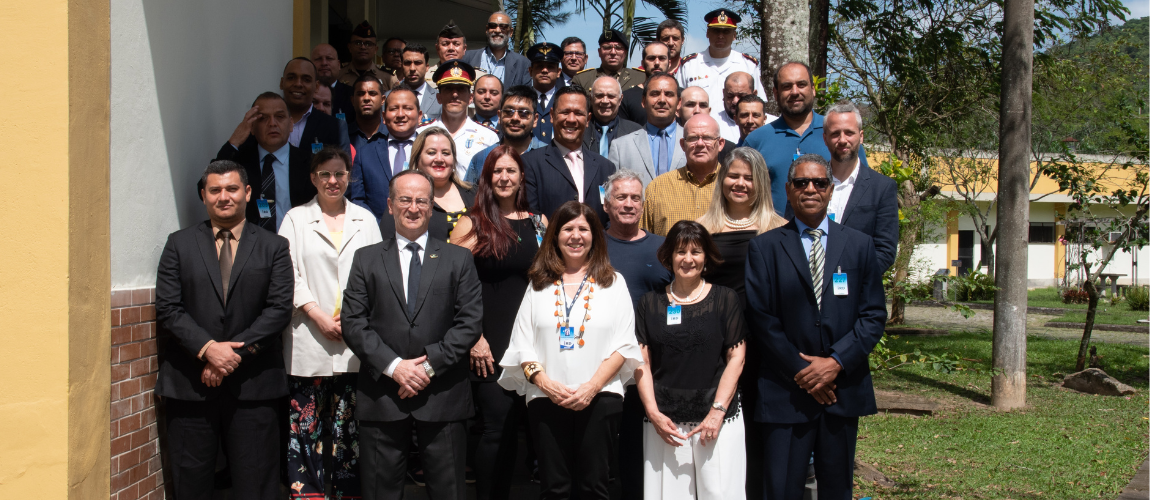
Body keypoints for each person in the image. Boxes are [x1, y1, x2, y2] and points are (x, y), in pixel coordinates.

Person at [744, 154, 887, 500]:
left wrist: (835, 363)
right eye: (801, 183)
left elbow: (873, 315)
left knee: (837, 489)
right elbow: (761, 318)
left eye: (819, 183)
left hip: (842, 390)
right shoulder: (764, 248)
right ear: (789, 191)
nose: (811, 189)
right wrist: (804, 371)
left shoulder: (859, 245)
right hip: (785, 391)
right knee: (781, 490)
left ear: (831, 189)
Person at [342, 168, 484, 500]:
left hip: (443, 393)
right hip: (383, 394)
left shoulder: (458, 259)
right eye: (405, 199)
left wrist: (427, 366)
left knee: (449, 491)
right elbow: (353, 321)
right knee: (380, 491)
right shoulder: (366, 259)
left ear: (432, 206)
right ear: (390, 205)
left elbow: (469, 323)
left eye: (422, 200)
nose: (413, 207)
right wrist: (395, 367)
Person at [155, 160, 293, 500]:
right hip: (191, 384)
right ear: (204, 196)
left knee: (257, 482)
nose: (224, 197)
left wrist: (231, 355)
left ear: (247, 192)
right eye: (215, 190)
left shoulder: (274, 246)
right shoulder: (179, 244)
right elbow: (169, 309)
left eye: (232, 189)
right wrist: (207, 349)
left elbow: (277, 311)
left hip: (254, 385)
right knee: (191, 483)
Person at [497, 201, 643, 500]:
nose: (575, 236)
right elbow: (522, 346)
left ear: (594, 237)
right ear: (555, 235)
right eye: (567, 229)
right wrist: (545, 384)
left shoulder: (613, 283)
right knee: (554, 488)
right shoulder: (538, 284)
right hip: (547, 399)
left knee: (594, 487)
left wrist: (591, 388)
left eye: (583, 229)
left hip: (600, 398)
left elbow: (624, 344)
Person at [278, 147, 383, 500]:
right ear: (313, 178)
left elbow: (377, 275)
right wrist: (317, 314)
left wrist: (353, 317)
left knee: (347, 428)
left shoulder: (365, 219)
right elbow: (287, 273)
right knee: (304, 425)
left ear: (349, 176)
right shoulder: (295, 218)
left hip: (354, 341)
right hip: (309, 334)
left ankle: (347, 493)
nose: (333, 181)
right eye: (325, 174)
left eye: (339, 173)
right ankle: (306, 493)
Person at [449, 146, 547, 500]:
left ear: (521, 176)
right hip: (489, 344)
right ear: (487, 179)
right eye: (497, 172)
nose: (504, 178)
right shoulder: (473, 223)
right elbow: (452, 285)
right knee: (496, 430)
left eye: (511, 171)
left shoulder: (539, 222)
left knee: (529, 430)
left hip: (532, 344)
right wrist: (474, 336)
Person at [694, 147, 786, 499]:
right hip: (718, 346)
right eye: (733, 175)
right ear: (722, 180)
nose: (740, 183)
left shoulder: (779, 229)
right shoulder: (703, 229)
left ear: (761, 183)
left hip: (766, 346)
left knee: (761, 431)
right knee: (722, 428)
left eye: (749, 177)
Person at [635, 220, 747, 500]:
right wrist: (653, 413)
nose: (688, 259)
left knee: (721, 493)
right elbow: (642, 362)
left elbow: (737, 357)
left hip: (718, 419)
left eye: (696, 252)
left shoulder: (725, 299)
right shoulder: (649, 303)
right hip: (665, 422)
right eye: (680, 252)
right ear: (668, 256)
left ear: (706, 257)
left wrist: (718, 411)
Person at [600, 169, 672, 499]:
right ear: (605, 203)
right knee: (600, 445)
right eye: (621, 197)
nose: (628, 204)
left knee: (638, 443)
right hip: (601, 362)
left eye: (635, 198)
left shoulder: (663, 248)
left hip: (652, 364)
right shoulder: (590, 244)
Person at [742, 62, 869, 215]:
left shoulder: (839, 135)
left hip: (835, 235)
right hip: (774, 235)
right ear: (775, 93)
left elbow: (864, 189)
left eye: (801, 85)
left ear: (813, 89)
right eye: (787, 86)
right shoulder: (756, 140)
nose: (795, 92)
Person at [803, 100, 899, 271]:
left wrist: (851, 279)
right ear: (825, 138)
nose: (842, 140)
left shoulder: (882, 188)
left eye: (849, 133)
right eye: (835, 134)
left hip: (858, 290)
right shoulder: (805, 184)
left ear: (861, 136)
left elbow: (885, 251)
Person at [215, 92, 316, 231]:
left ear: (291, 124)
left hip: (297, 244)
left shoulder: (311, 163)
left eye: (279, 117)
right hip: (251, 246)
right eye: (263, 118)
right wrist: (234, 142)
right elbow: (205, 188)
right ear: (252, 127)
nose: (272, 123)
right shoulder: (241, 162)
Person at [523, 86, 617, 226]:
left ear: (588, 119)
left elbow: (610, 217)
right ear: (552, 116)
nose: (571, 119)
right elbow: (530, 216)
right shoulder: (530, 163)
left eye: (578, 113)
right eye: (565, 112)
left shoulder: (606, 167)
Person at [379, 127, 476, 243]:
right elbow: (387, 244)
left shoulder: (475, 194)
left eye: (445, 153)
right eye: (431, 153)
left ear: (453, 160)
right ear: (417, 159)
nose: (439, 159)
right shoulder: (403, 199)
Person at [347, 85, 423, 223]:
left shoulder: (431, 151)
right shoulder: (365, 154)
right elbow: (357, 199)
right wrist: (378, 227)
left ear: (419, 116)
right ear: (383, 116)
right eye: (394, 109)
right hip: (378, 235)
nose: (400, 114)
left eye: (407, 108)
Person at [640, 114, 724, 236]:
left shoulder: (733, 187)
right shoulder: (658, 188)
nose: (700, 144)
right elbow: (644, 239)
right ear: (683, 144)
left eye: (707, 138)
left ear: (720, 144)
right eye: (693, 138)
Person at [675, 10, 765, 121]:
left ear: (734, 35)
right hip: (699, 131)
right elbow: (677, 102)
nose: (721, 36)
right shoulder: (689, 65)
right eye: (716, 31)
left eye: (726, 31)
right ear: (707, 33)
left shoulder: (748, 65)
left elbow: (759, 104)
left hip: (738, 131)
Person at [417, 60, 500, 180]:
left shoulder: (489, 137)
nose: (455, 94)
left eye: (460, 89)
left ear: (470, 98)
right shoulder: (421, 133)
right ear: (439, 97)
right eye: (448, 89)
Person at [609, 72, 686, 188]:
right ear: (643, 101)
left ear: (679, 103)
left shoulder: (694, 141)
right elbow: (611, 193)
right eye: (655, 94)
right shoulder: (620, 147)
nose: (662, 100)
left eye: (669, 94)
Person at [465, 85, 549, 184]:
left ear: (535, 119)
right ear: (499, 116)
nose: (515, 118)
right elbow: (468, 197)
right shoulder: (482, 158)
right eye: (509, 112)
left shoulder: (549, 158)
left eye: (524, 113)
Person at [279, 57, 351, 155]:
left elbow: (343, 168)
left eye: (306, 80)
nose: (298, 84)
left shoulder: (335, 127)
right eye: (291, 78)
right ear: (282, 83)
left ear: (316, 86)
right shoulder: (264, 122)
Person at [463, 12, 532, 89]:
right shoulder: (467, 58)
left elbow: (526, 97)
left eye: (503, 27)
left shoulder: (523, 64)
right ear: (487, 30)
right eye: (493, 26)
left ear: (511, 32)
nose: (497, 30)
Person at [677, 86, 737, 167]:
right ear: (678, 111)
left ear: (709, 112)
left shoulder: (727, 149)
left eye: (703, 105)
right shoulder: (667, 144)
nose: (697, 111)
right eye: (690, 105)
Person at [583, 76, 643, 157]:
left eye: (611, 96)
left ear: (620, 99)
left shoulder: (636, 132)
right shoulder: (580, 130)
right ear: (591, 98)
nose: (605, 101)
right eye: (599, 95)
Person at [571, 29, 645, 92]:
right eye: (607, 48)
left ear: (625, 53)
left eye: (618, 48)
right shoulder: (582, 79)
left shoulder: (641, 78)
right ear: (599, 52)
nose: (613, 52)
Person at [619, 41, 670, 126]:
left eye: (662, 58)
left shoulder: (681, 96)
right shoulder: (626, 98)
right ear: (642, 63)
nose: (657, 63)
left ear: (669, 63)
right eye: (651, 58)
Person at [717, 72, 774, 144]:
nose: (735, 101)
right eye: (730, 96)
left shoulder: (774, 125)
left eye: (741, 96)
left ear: (754, 94)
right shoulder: (712, 123)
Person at [338, 20, 398, 90]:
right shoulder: (339, 73)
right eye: (358, 43)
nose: (363, 47)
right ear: (350, 47)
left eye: (368, 44)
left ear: (376, 49)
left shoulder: (388, 77)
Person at [426, 20, 488, 86]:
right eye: (445, 44)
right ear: (437, 48)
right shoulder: (426, 77)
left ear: (464, 49)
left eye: (456, 44)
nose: (451, 48)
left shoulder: (480, 78)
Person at [526, 42, 566, 142]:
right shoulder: (523, 99)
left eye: (550, 66)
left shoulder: (564, 100)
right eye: (539, 66)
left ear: (558, 72)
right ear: (530, 71)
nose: (544, 70)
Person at [347, 74, 387, 162]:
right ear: (352, 100)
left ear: (383, 100)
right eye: (360, 94)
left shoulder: (391, 135)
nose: (366, 98)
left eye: (372, 94)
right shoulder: (344, 136)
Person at [311, 43, 355, 121]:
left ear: (338, 65)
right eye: (318, 59)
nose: (324, 63)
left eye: (329, 58)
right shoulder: (305, 94)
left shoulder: (352, 95)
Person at [399, 44, 442, 121]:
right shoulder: (389, 97)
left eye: (418, 63)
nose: (412, 68)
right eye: (408, 63)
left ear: (427, 67)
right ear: (402, 66)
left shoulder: (439, 98)